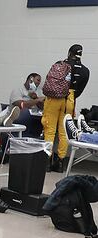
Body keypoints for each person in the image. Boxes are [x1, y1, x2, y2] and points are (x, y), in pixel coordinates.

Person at [42, 44, 90, 172]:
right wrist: (70, 95)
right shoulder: (85, 71)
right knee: (64, 131)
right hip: (70, 99)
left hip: (54, 99)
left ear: (69, 53)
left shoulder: (60, 64)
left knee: (49, 130)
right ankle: (60, 162)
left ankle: (47, 162)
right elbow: (79, 91)